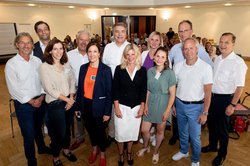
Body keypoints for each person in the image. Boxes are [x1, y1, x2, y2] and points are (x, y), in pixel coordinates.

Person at [201, 32, 247, 166]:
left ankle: (222, 154)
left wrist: (232, 105)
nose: (223, 45)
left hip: (225, 100)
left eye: (227, 42)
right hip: (213, 98)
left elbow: (239, 87)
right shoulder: (218, 59)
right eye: (221, 41)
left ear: (233, 44)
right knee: (212, 125)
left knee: (222, 129)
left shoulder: (238, 63)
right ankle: (212, 145)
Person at [168, 20, 213, 146]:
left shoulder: (201, 49)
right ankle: (176, 136)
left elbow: (209, 67)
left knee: (192, 125)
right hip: (178, 88)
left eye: (186, 30)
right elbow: (168, 62)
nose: (183, 34)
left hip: (194, 92)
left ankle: (189, 141)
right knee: (177, 117)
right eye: (180, 31)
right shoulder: (175, 48)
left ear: (191, 31)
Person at [5, 32, 47, 166]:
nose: (26, 45)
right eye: (22, 42)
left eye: (29, 42)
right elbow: (13, 89)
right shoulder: (11, 64)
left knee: (38, 129)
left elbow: (42, 81)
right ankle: (32, 161)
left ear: (32, 45)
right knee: (28, 135)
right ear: (17, 45)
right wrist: (31, 101)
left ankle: (41, 148)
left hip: (39, 100)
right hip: (24, 105)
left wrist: (41, 96)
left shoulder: (37, 61)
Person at [172, 37, 213, 166]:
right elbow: (174, 87)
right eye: (186, 49)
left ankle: (195, 159)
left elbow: (208, 92)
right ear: (183, 51)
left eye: (191, 48)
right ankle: (184, 151)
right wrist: (173, 105)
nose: (188, 51)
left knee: (195, 137)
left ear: (197, 49)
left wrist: (205, 112)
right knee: (182, 132)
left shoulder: (205, 67)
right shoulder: (177, 66)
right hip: (179, 104)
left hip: (196, 107)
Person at [39, 38, 77, 166]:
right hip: (55, 104)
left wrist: (71, 97)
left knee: (67, 130)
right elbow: (49, 89)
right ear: (49, 51)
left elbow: (72, 81)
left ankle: (66, 150)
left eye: (61, 48)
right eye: (55, 49)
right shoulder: (44, 67)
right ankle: (55, 156)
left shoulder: (66, 64)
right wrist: (68, 100)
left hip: (69, 101)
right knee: (59, 133)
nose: (58, 51)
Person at [75, 42, 112, 166]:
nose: (92, 54)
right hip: (86, 105)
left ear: (99, 53)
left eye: (95, 51)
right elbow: (80, 89)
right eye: (89, 51)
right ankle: (94, 148)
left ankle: (102, 153)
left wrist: (107, 112)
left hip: (100, 107)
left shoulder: (106, 70)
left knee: (100, 132)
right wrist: (78, 106)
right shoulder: (83, 68)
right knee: (90, 130)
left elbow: (109, 92)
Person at [137, 47, 176, 164]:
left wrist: (167, 110)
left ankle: (156, 151)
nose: (159, 59)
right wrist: (146, 105)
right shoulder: (149, 71)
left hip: (163, 104)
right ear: (154, 57)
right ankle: (145, 146)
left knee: (160, 131)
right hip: (151, 102)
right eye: (157, 56)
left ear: (166, 59)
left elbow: (172, 94)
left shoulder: (170, 73)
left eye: (162, 57)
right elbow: (147, 90)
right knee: (144, 130)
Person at [113, 44, 147, 166]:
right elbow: (115, 89)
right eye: (128, 54)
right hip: (121, 107)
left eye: (133, 54)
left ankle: (129, 153)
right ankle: (121, 154)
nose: (130, 57)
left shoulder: (142, 70)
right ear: (125, 56)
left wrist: (142, 107)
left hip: (136, 108)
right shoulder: (119, 69)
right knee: (121, 134)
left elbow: (143, 90)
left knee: (132, 134)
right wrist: (116, 107)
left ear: (137, 55)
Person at [102, 22, 130, 146]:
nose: (119, 34)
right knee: (112, 111)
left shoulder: (131, 47)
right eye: (117, 31)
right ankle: (112, 134)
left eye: (122, 31)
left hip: (126, 87)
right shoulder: (108, 47)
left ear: (126, 33)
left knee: (125, 112)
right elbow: (104, 66)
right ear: (113, 33)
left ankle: (125, 136)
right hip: (110, 85)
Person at [67, 30, 91, 150]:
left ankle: (93, 138)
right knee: (78, 116)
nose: (84, 42)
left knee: (90, 115)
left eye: (87, 40)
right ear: (76, 40)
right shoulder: (69, 55)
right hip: (74, 90)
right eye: (81, 39)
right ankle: (80, 137)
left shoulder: (93, 53)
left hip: (90, 90)